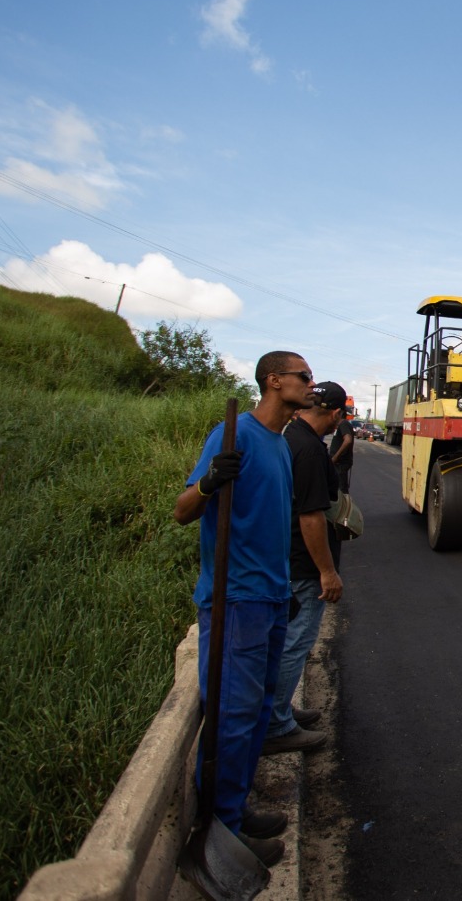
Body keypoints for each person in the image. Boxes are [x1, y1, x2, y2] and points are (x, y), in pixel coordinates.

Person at [172, 351, 314, 867]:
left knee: (254, 716)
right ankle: (220, 828)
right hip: (237, 602)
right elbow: (184, 511)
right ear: (274, 381)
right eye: (304, 376)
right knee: (232, 717)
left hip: (271, 598)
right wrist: (210, 480)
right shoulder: (233, 436)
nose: (311, 383)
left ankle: (236, 806)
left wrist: (286, 588)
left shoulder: (279, 445)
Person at [262, 381, 347, 755]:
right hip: (303, 563)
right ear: (335, 414)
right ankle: (276, 726)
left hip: (287, 556)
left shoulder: (289, 436)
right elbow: (311, 517)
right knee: (296, 643)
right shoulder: (311, 450)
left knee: (286, 641)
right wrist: (327, 572)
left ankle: (280, 710)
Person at [328, 402, 356, 493]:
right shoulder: (340, 425)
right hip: (338, 463)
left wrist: (335, 457)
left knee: (341, 489)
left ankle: (344, 506)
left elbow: (347, 440)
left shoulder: (344, 424)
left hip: (340, 463)